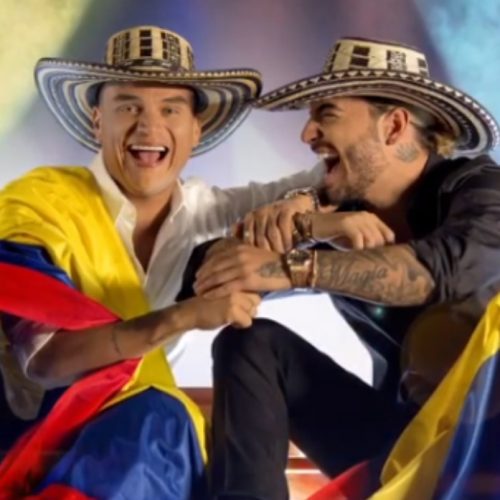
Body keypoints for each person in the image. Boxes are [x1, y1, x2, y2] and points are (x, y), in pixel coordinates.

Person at [0, 25, 324, 498]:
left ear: (196, 129)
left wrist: (304, 204)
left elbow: (331, 177)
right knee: (160, 421)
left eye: (170, 109)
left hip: (142, 442)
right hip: (31, 440)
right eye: (128, 107)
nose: (149, 127)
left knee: (159, 423)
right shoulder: (40, 205)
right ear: (97, 122)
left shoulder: (209, 215)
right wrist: (184, 316)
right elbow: (47, 363)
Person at [192, 37, 500, 499]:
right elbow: (200, 280)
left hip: (485, 449)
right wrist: (306, 224)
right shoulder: (340, 216)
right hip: (401, 445)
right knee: (251, 344)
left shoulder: (481, 190)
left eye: (327, 114)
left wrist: (294, 267)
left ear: (393, 126)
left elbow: (440, 273)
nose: (307, 134)